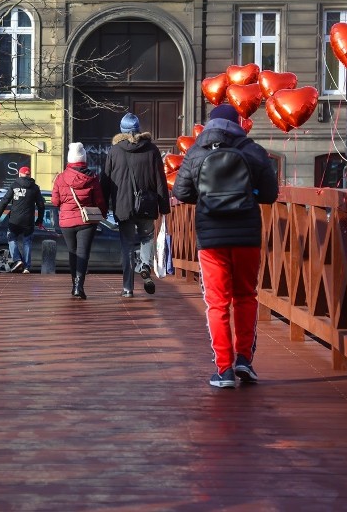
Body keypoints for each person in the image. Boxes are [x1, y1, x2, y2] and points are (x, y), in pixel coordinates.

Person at [172, 103, 279, 389]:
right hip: (246, 237)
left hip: (212, 238)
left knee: (217, 302)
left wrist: (207, 198)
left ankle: (224, 369)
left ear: (210, 124)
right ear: (238, 123)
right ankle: (244, 358)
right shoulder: (252, 151)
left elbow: (181, 192)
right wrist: (249, 192)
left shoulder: (196, 152)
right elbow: (270, 193)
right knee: (245, 296)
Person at [101, 112, 171, 298]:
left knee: (127, 246)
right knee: (147, 237)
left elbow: (105, 182)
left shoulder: (114, 151)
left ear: (122, 131)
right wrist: (164, 206)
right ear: (139, 129)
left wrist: (102, 206)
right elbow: (160, 180)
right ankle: (145, 265)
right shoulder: (152, 150)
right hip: (147, 204)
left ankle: (127, 288)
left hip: (123, 206)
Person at [51, 142, 108, 300]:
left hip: (67, 222)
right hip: (86, 221)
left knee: (73, 253)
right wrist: (102, 213)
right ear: (84, 159)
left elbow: (55, 202)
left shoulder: (60, 178)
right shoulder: (92, 178)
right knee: (83, 253)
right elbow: (100, 201)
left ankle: (73, 285)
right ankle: (79, 287)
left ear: (69, 159)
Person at [0, 166, 46, 273]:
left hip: (14, 220)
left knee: (11, 238)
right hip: (28, 221)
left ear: (19, 174)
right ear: (29, 175)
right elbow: (41, 205)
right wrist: (39, 220)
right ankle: (26, 267)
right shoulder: (35, 188)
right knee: (27, 242)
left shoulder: (14, 185)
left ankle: (17, 260)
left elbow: (5, 201)